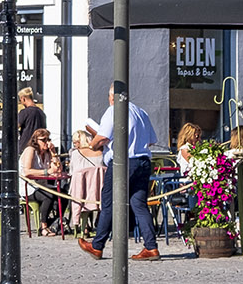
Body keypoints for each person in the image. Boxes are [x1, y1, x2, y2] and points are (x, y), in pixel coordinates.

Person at [79, 91, 160, 262]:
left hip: (122, 162)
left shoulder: (114, 110)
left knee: (108, 202)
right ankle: (151, 247)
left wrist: (92, 144)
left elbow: (102, 137)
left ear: (112, 96)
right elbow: (151, 140)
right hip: (143, 161)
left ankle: (97, 245)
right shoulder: (141, 112)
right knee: (139, 204)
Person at [19, 128, 63, 236]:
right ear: (36, 141)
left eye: (48, 139)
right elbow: (27, 171)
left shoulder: (47, 153)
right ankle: (43, 226)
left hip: (42, 185)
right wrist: (46, 172)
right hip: (29, 187)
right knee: (48, 196)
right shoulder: (30, 150)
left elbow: (58, 169)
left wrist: (53, 153)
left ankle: (56, 223)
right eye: (43, 140)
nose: (46, 142)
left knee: (63, 194)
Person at [69, 125, 105, 231]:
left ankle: (81, 224)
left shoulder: (76, 154)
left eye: (75, 142)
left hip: (82, 193)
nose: (74, 145)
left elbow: (72, 172)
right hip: (99, 193)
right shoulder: (101, 153)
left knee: (73, 190)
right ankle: (97, 221)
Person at [16, 88, 47, 153]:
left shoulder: (24, 112)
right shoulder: (41, 113)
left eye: (20, 100)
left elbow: (15, 126)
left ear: (23, 98)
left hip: (25, 147)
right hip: (39, 148)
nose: (20, 102)